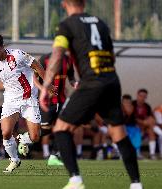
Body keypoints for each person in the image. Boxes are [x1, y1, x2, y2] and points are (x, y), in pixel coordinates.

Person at [39, 1, 142, 188]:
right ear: (84, 2)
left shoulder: (67, 25)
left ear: (64, 4)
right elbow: (112, 56)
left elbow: (57, 54)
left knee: (61, 128)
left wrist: (46, 86)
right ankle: (136, 184)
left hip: (91, 82)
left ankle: (75, 180)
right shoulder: (101, 23)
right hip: (112, 81)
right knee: (119, 133)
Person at [0, 34, 49, 173]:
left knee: (35, 137)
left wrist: (47, 84)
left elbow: (37, 65)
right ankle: (14, 160)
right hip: (11, 101)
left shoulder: (18, 54)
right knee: (5, 133)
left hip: (29, 99)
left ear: (3, 47)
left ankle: (23, 139)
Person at [36, 52, 78, 165]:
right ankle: (26, 138)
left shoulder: (69, 60)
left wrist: (75, 83)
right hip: (47, 101)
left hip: (62, 100)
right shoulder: (45, 58)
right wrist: (43, 90)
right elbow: (33, 78)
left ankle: (54, 156)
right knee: (45, 129)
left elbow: (71, 77)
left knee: (62, 128)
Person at [132, 88, 162, 160]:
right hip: (134, 127)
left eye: (144, 97)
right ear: (137, 95)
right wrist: (143, 122)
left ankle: (152, 154)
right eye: (141, 96)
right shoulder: (133, 104)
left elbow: (151, 118)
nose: (142, 98)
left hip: (145, 127)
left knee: (151, 128)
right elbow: (132, 118)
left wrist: (147, 122)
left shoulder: (147, 106)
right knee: (150, 124)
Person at [122, 94, 143, 159]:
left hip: (132, 127)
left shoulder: (133, 107)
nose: (127, 104)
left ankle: (137, 153)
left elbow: (134, 118)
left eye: (129, 102)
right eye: (125, 102)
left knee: (137, 131)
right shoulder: (118, 108)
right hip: (121, 127)